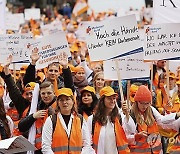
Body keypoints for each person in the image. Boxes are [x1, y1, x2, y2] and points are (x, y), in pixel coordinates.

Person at [125, 85, 180, 153]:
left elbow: (162, 121)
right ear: (136, 102)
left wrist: (175, 115)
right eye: (142, 103)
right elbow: (126, 137)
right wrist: (136, 136)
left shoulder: (151, 110)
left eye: (147, 103)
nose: (144, 106)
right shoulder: (131, 115)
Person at [42, 88, 95, 154]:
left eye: (67, 99)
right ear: (58, 102)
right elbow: (45, 146)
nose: (64, 102)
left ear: (73, 101)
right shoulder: (51, 120)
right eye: (61, 100)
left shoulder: (80, 119)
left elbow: (87, 144)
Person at [87, 86, 130, 154]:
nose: (112, 101)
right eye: (109, 98)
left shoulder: (120, 117)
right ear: (102, 100)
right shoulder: (92, 119)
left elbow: (131, 130)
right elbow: (88, 142)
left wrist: (127, 114)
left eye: (114, 98)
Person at [18, 81, 56, 154]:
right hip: (39, 149)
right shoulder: (36, 107)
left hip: (53, 148)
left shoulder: (58, 107)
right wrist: (33, 117)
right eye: (43, 93)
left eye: (49, 93)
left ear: (54, 93)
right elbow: (21, 127)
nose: (46, 96)